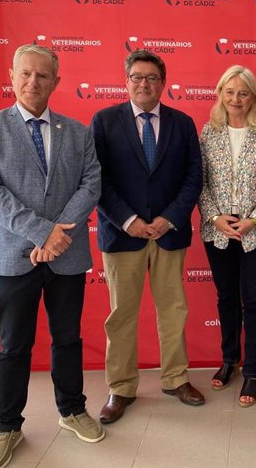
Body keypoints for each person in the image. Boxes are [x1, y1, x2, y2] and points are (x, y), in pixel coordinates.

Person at [0, 44, 103, 468]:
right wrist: (44, 231)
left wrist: (57, 236)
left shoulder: (78, 133)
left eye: (43, 76)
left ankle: (72, 410)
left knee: (67, 339)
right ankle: (8, 426)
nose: (33, 82)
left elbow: (91, 185)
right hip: (12, 255)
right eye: (25, 74)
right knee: (14, 346)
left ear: (56, 82)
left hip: (65, 256)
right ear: (11, 76)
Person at [91, 50, 204, 424]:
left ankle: (175, 379)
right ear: (126, 81)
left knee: (173, 310)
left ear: (163, 83)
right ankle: (121, 387)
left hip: (169, 234)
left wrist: (169, 219)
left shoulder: (182, 123)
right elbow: (98, 181)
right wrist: (129, 220)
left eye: (152, 78)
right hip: (123, 235)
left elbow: (193, 178)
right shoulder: (104, 122)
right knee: (122, 313)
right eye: (137, 77)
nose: (144, 84)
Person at [198, 65, 256, 407]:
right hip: (217, 231)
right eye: (229, 92)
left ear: (253, 97)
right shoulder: (208, 133)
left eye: (243, 92)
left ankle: (252, 370)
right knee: (226, 298)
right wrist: (216, 217)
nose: (235, 99)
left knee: (254, 301)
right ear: (220, 94)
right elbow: (199, 182)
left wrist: (252, 220)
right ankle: (229, 359)